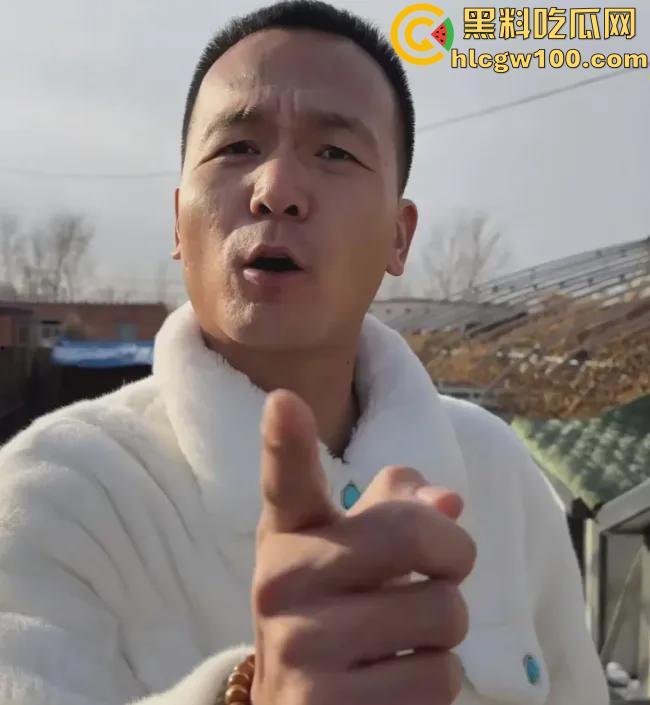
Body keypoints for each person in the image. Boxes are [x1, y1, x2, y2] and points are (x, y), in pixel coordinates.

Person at [0, 2, 609, 704]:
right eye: (237, 148)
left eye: (334, 153)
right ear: (177, 222)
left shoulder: (497, 474)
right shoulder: (58, 494)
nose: (277, 191)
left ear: (399, 237)